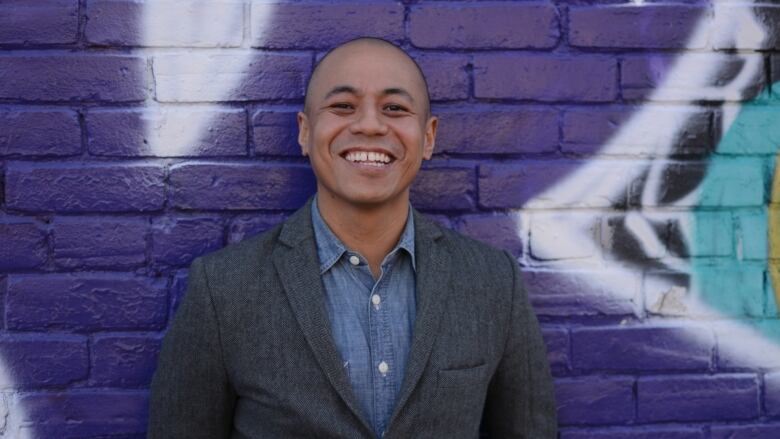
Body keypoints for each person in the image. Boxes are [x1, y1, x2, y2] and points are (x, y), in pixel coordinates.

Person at [148, 37, 557, 438]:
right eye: (343, 106)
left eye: (395, 108)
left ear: (428, 137)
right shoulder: (222, 289)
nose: (369, 125)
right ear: (305, 132)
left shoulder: (492, 282)